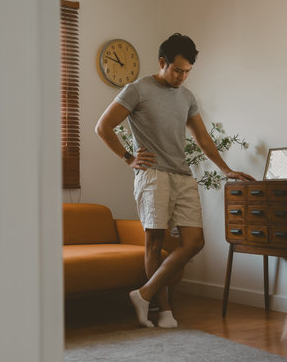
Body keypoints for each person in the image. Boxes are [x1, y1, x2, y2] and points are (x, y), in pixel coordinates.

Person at [95, 33, 254, 328]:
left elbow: (202, 138)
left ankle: (143, 294)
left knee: (195, 242)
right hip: (152, 174)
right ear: (162, 63)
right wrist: (128, 158)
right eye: (178, 70)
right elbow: (103, 126)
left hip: (182, 175)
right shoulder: (137, 89)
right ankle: (163, 309)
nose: (182, 76)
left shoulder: (187, 97)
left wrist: (225, 169)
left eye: (187, 71)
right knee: (154, 242)